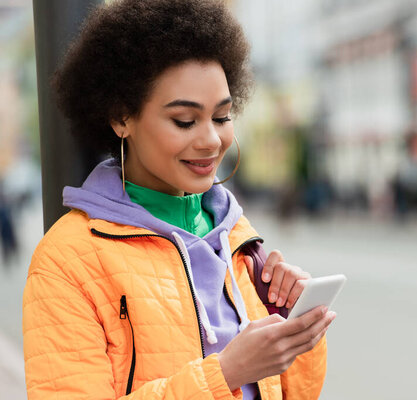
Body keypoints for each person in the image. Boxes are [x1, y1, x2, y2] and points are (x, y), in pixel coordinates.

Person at [22, 1, 335, 399]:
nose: (210, 140)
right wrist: (228, 372)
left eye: (222, 117)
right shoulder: (66, 262)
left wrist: (291, 322)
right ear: (122, 118)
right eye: (185, 121)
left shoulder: (237, 240)